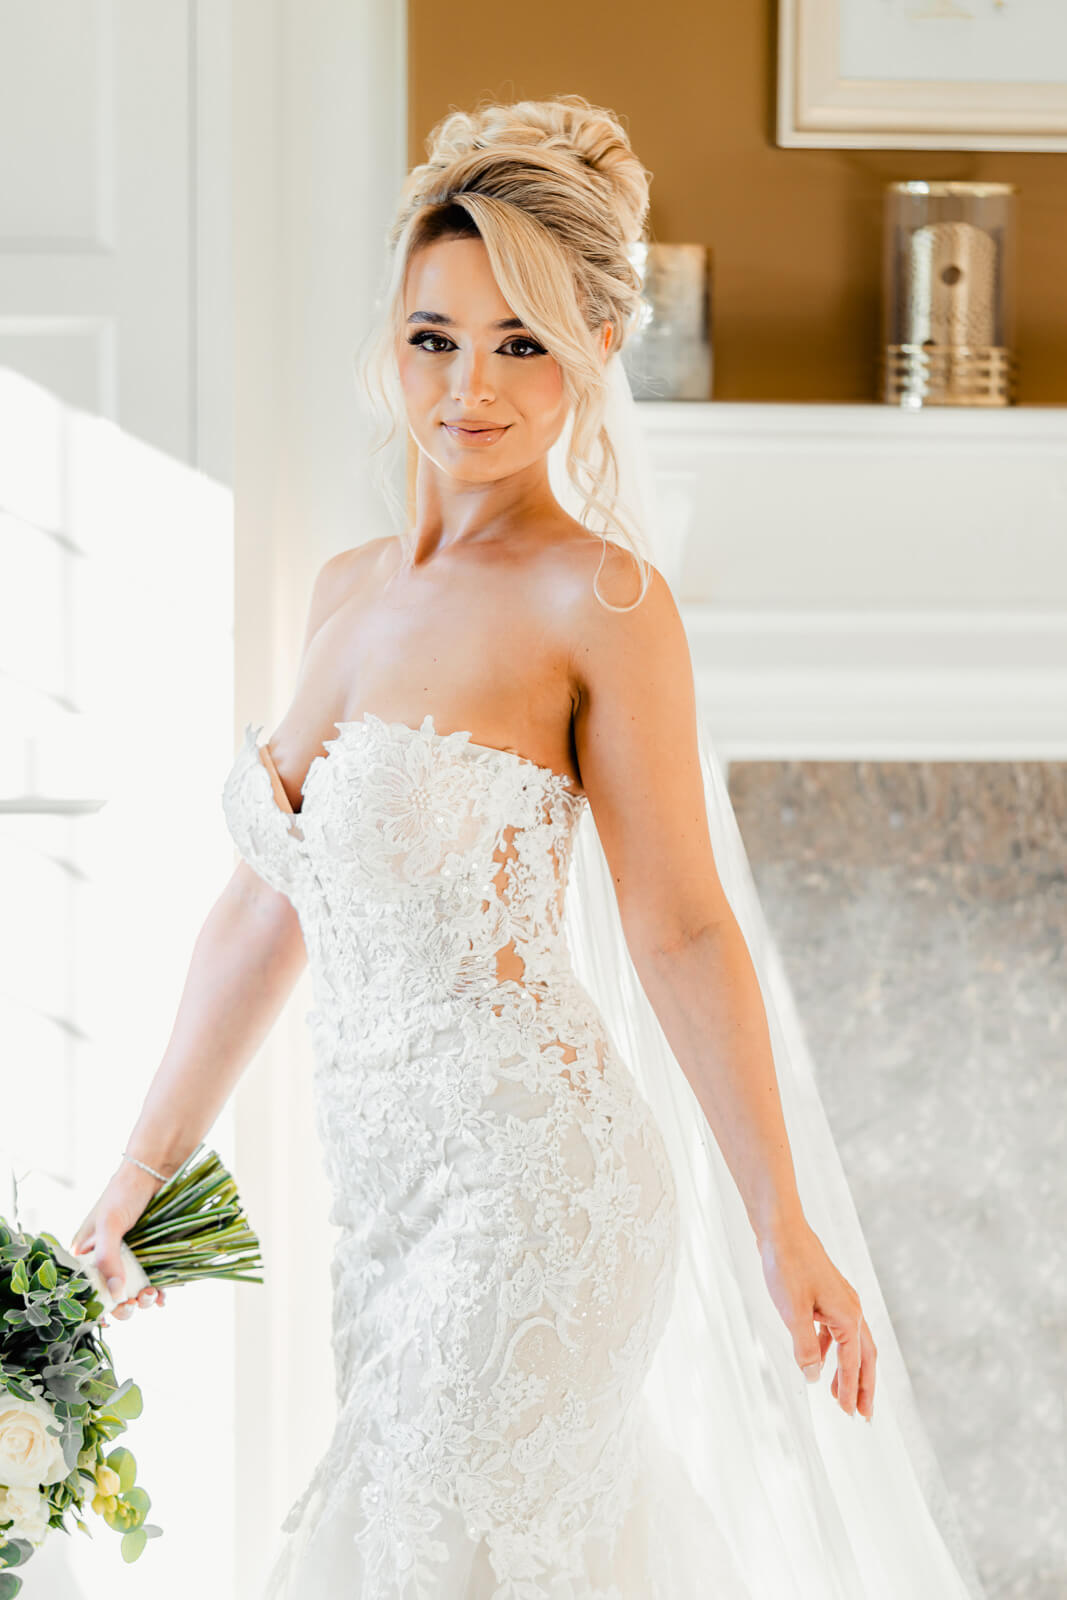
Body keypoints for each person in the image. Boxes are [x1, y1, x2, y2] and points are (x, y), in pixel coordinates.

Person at [70, 95, 984, 1597]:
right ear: (391, 339)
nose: (469, 387)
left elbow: (682, 928)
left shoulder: (600, 603)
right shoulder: (347, 589)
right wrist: (141, 1171)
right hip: (385, 1214)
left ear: (594, 353)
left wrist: (783, 1224)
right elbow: (264, 908)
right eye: (435, 337)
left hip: (538, 1197)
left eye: (521, 344)